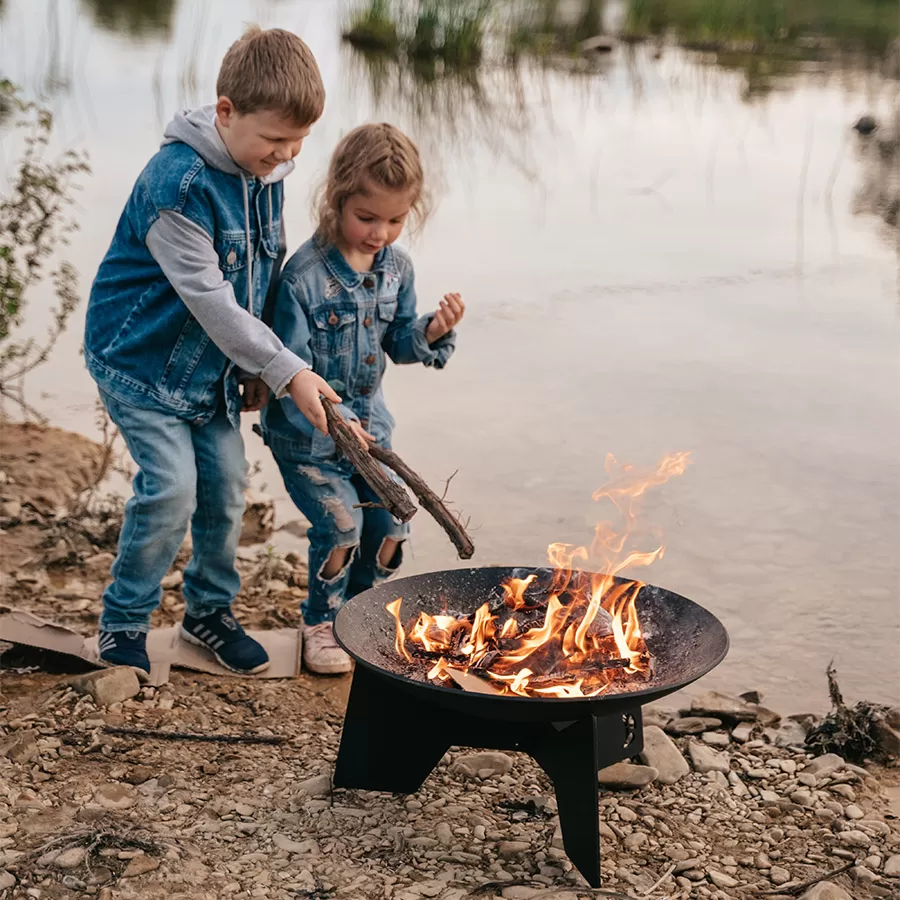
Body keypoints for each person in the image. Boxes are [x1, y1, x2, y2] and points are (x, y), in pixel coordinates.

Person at [84, 26, 340, 678]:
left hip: (209, 372)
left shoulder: (266, 169)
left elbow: (262, 270)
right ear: (225, 112)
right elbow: (211, 298)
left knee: (225, 490)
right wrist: (288, 370)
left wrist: (255, 368)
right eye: (275, 140)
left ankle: (208, 614)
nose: (285, 156)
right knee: (171, 490)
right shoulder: (177, 186)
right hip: (139, 363)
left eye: (298, 143)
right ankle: (122, 622)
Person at [261, 123, 465, 675]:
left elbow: (399, 340)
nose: (380, 233)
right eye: (367, 217)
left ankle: (359, 611)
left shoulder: (396, 270)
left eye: (396, 220)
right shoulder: (303, 277)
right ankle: (321, 623)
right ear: (337, 200)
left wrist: (431, 331)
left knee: (393, 525)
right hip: (308, 439)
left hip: (374, 437)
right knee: (341, 526)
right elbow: (291, 364)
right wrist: (337, 419)